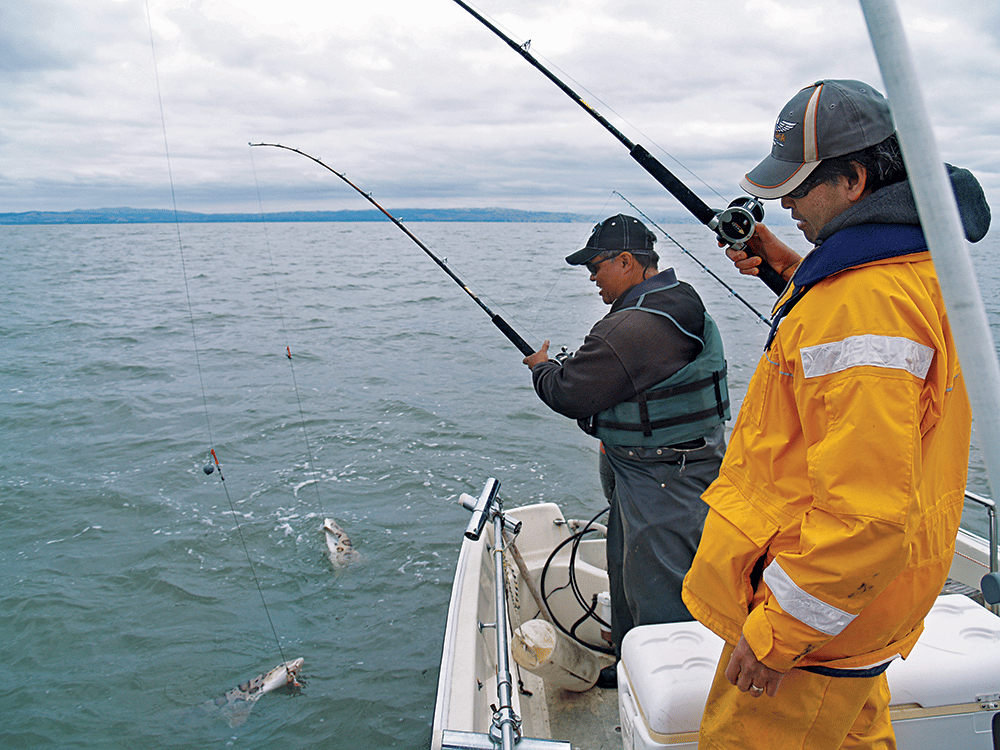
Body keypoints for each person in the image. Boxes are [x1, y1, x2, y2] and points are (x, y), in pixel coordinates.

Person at [681, 79, 991, 748]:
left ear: (852, 179)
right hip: (858, 620)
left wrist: (777, 637)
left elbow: (867, 510)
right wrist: (797, 270)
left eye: (797, 188)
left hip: (808, 641)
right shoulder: (915, 269)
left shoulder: (860, 304)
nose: (785, 203)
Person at [522, 213, 730, 687]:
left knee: (659, 588)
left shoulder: (634, 327)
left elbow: (568, 392)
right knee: (627, 570)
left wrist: (541, 367)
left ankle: (670, 690)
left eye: (597, 266)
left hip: (662, 479)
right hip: (667, 465)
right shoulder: (679, 300)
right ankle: (632, 663)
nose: (592, 277)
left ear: (627, 261)